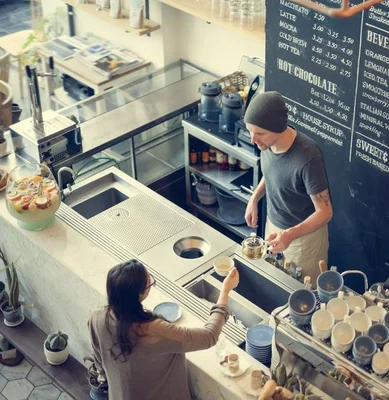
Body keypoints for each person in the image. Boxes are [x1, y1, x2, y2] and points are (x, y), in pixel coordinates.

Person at [88, 260, 239, 400]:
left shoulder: (97, 318)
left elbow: (101, 366)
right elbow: (209, 336)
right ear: (139, 295)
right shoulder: (155, 331)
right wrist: (225, 291)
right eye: (149, 283)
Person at [244, 91, 333, 282]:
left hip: (303, 241)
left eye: (259, 133)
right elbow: (273, 173)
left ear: (277, 129)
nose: (253, 139)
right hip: (274, 229)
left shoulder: (308, 157)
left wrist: (289, 235)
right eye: (250, 130)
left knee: (302, 294)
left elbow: (325, 212)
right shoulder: (266, 145)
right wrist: (254, 198)